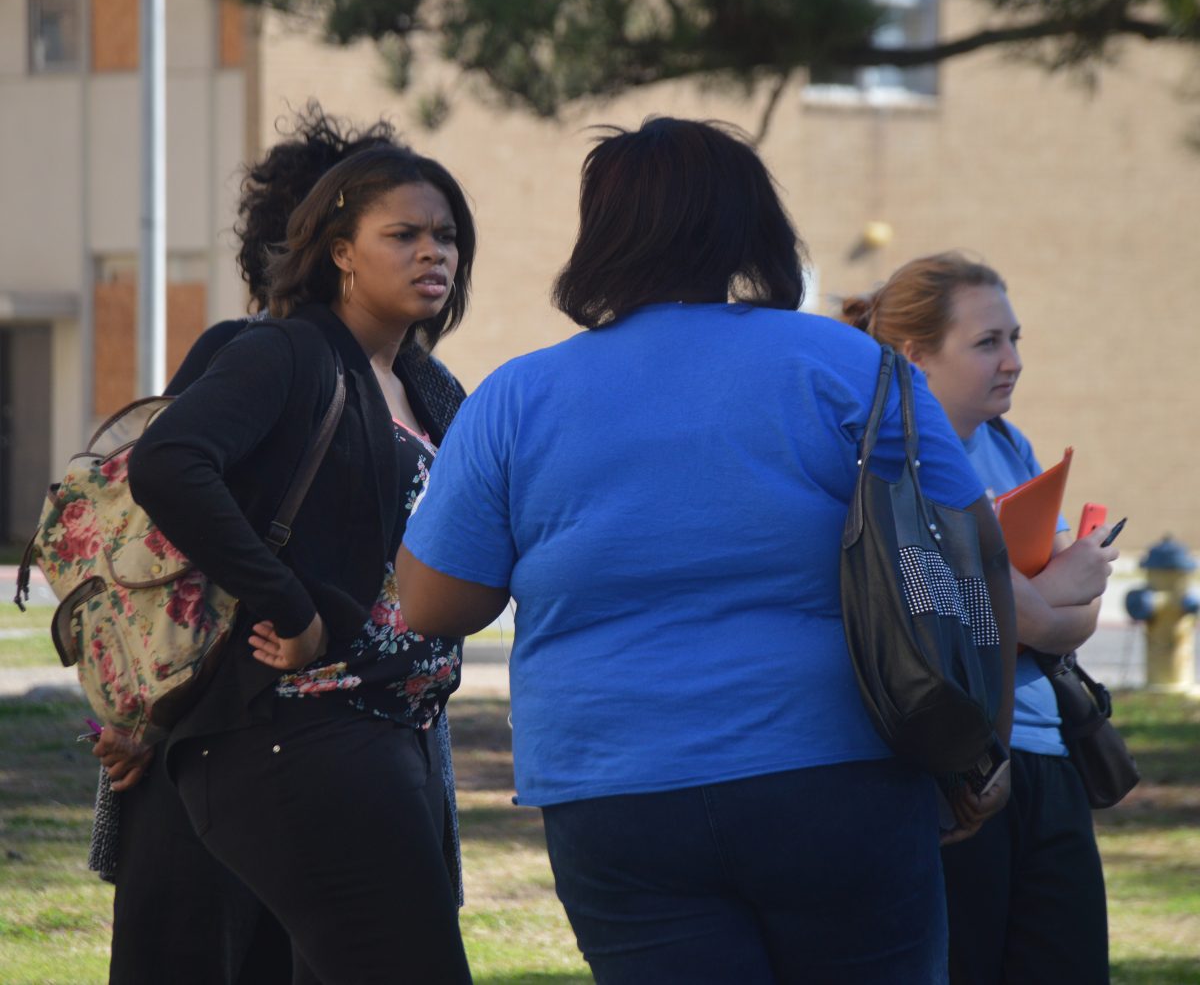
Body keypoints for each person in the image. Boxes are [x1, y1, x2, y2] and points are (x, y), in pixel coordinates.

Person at [392, 117, 1017, 983]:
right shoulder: (851, 365)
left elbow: (433, 605)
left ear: (601, 235)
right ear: (753, 224)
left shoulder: (517, 396)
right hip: (839, 769)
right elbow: (967, 554)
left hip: (615, 790)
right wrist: (981, 744)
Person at [119, 142, 476, 984]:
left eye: (448, 236)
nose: (434, 254)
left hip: (395, 733)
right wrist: (293, 606)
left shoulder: (429, 385)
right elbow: (170, 464)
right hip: (295, 729)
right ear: (341, 252)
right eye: (405, 235)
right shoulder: (285, 352)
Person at [844, 251, 1116, 984]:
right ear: (915, 354)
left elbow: (1057, 611)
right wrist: (1050, 597)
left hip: (1045, 755)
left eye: (1015, 338)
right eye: (988, 342)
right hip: (957, 763)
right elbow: (1002, 606)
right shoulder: (895, 460)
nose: (1014, 362)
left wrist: (1040, 604)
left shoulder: (1009, 444)